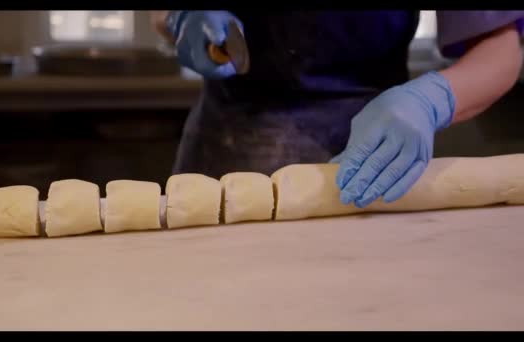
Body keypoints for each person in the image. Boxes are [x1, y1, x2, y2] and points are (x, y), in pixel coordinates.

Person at [151, 11, 524, 208]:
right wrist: (180, 18)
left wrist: (430, 102)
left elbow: (499, 49)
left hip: (371, 153)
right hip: (225, 146)